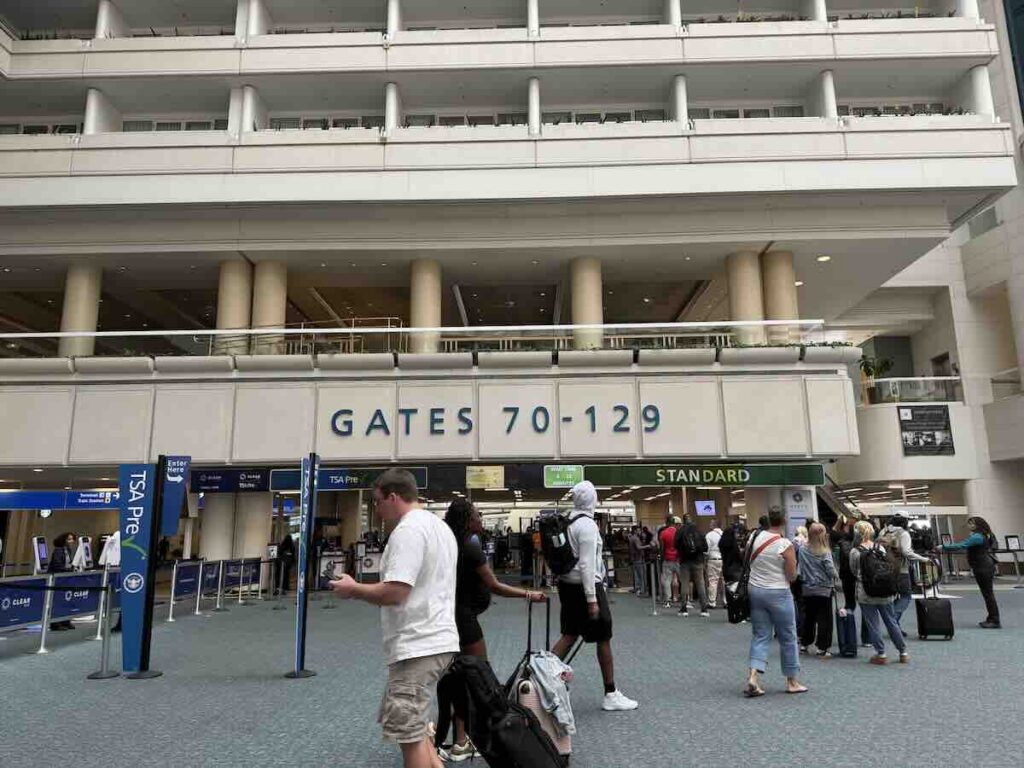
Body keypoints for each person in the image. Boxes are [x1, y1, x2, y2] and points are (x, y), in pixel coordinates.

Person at [329, 469, 459, 768]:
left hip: (417, 644)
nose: (376, 509)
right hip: (437, 640)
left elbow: (396, 591)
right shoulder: (439, 528)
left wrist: (353, 589)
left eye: (377, 502)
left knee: (410, 738)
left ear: (394, 496)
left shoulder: (408, 532)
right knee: (419, 732)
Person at [442, 499, 546, 762]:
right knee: (477, 678)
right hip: (463, 619)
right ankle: (463, 741)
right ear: (468, 520)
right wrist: (528, 594)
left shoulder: (448, 542)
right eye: (478, 515)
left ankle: (459, 739)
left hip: (447, 617)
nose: (481, 518)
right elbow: (494, 585)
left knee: (457, 678)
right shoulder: (470, 545)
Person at [552, 481, 638, 712]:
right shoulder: (588, 526)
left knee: (568, 635)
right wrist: (592, 600)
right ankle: (610, 693)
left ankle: (543, 681)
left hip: (568, 586)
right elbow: (587, 565)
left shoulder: (569, 523)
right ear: (592, 500)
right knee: (603, 638)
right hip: (586, 588)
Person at [743, 506, 806, 697]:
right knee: (788, 636)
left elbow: (746, 561)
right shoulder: (784, 544)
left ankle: (753, 677)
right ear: (784, 521)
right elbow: (792, 575)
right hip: (778, 592)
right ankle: (792, 681)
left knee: (761, 635)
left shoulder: (753, 538)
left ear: (769, 520)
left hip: (755, 591)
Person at [849, 521, 908, 665]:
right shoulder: (880, 547)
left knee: (873, 624)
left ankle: (881, 654)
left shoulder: (855, 551)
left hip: (865, 591)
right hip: (885, 591)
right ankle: (903, 652)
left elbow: (853, 570)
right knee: (891, 621)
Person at [939, 516, 1001, 629]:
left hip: (982, 566)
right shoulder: (986, 534)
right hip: (986, 565)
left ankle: (994, 619)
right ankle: (992, 617)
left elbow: (962, 545)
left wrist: (944, 547)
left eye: (971, 524)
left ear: (978, 525)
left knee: (988, 594)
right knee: (988, 594)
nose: (969, 526)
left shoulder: (977, 536)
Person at [878, 514, 930, 632]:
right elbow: (906, 552)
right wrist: (923, 559)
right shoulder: (903, 534)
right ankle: (893, 622)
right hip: (901, 569)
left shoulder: (884, 532)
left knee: (892, 596)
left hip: (885, 569)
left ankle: (895, 625)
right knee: (906, 596)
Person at [797, 522, 839, 658]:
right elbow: (830, 570)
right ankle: (822, 647)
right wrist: (836, 575)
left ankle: (804, 643)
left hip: (807, 588)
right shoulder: (824, 551)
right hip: (823, 589)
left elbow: (800, 568)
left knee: (808, 617)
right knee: (824, 619)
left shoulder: (802, 549)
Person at [674, 515, 710, 618]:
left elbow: (675, 545)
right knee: (700, 584)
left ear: (683, 521)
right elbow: (705, 547)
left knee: (684, 584)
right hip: (698, 561)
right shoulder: (699, 530)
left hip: (684, 561)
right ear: (691, 520)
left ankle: (684, 609)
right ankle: (704, 609)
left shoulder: (680, 531)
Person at [47, 532, 76, 631]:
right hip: (57, 579)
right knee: (57, 601)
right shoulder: (58, 550)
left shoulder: (68, 550)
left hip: (65, 579)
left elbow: (68, 563)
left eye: (72, 539)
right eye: (69, 539)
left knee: (66, 600)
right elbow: (57, 565)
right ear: (63, 540)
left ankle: (65, 621)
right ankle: (55, 623)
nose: (71, 541)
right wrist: (69, 570)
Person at [658, 516, 681, 607]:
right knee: (682, 580)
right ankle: (686, 600)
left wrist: (662, 558)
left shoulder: (663, 533)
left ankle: (667, 601)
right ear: (674, 523)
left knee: (667, 580)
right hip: (678, 559)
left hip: (667, 559)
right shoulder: (679, 532)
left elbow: (662, 548)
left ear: (667, 523)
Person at [719, 519, 748, 586]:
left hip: (725, 568)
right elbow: (738, 557)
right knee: (735, 588)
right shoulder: (733, 545)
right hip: (735, 569)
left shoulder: (721, 544)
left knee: (728, 587)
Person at [705, 523, 724, 609]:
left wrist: (705, 559)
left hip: (713, 559)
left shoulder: (709, 535)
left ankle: (712, 602)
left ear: (712, 526)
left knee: (713, 581)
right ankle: (726, 601)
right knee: (724, 581)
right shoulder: (724, 534)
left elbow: (706, 550)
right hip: (723, 559)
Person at [627, 526, 647, 596]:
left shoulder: (631, 538)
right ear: (635, 531)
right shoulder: (636, 538)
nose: (640, 532)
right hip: (639, 558)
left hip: (634, 558)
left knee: (636, 575)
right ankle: (642, 589)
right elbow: (638, 547)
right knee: (641, 575)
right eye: (639, 530)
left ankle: (637, 588)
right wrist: (648, 546)